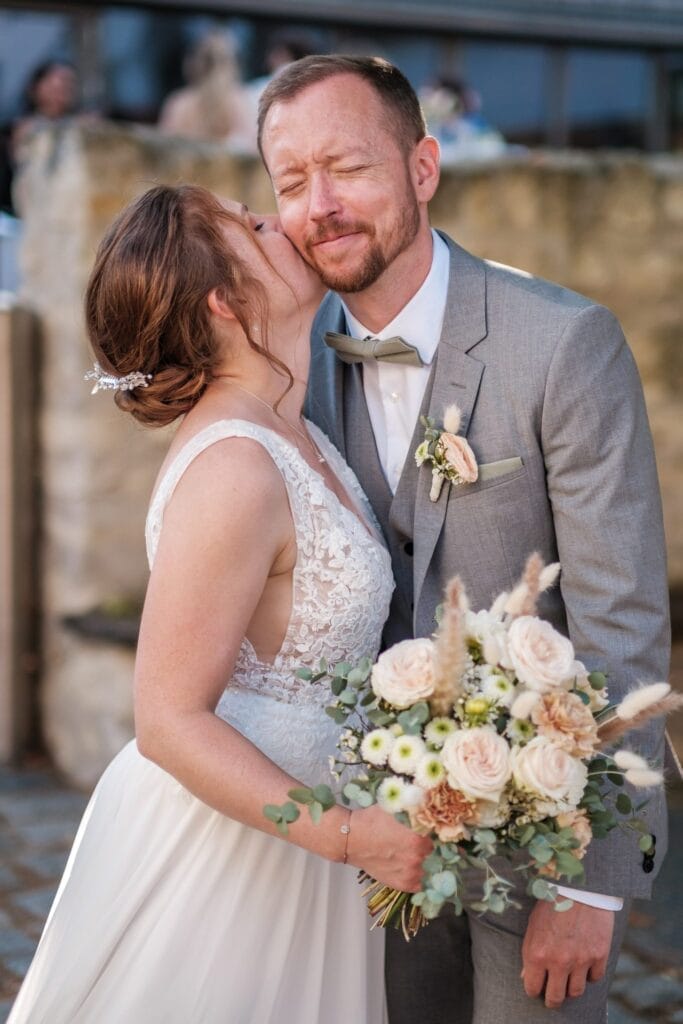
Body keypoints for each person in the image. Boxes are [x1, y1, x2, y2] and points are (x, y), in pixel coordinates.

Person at [257, 55, 670, 1023]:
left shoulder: (563, 343)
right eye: (290, 181)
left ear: (422, 168)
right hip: (358, 850)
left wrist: (590, 886)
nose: (320, 204)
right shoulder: (290, 354)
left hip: (539, 841)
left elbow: (620, 617)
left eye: (346, 167)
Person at [8, 183, 432, 1023]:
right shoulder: (235, 468)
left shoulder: (296, 429)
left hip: (304, 842)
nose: (278, 220)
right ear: (227, 301)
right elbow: (167, 719)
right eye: (250, 224)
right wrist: (345, 835)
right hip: (239, 854)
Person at [158, 31, 255, 149]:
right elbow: (250, 150)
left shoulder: (179, 103)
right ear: (233, 64)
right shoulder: (240, 101)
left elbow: (163, 149)